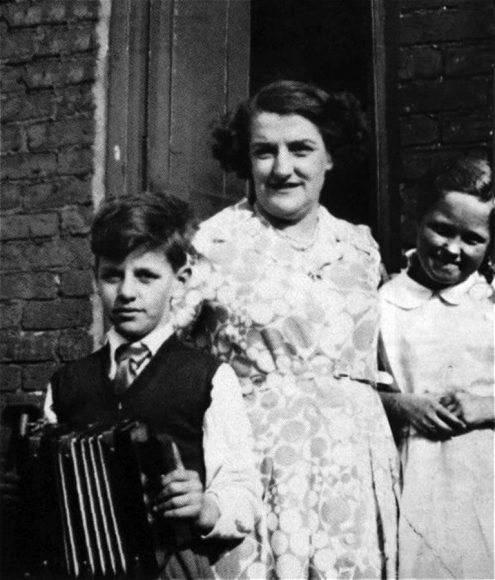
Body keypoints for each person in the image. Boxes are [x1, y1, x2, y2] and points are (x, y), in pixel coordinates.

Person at [182, 80, 400, 578]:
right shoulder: (213, 243)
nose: (282, 169)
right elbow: (165, 363)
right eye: (264, 152)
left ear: (329, 156)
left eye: (301, 149)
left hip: (355, 471)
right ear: (245, 158)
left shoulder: (361, 248)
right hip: (260, 467)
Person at [2, 193, 262, 579]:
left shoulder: (208, 376)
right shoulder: (67, 382)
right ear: (95, 278)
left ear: (180, 280)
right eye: (112, 275)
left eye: (146, 276)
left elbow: (242, 490)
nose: (126, 292)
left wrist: (206, 506)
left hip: (174, 566)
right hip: (79, 569)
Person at [378, 156, 494, 579]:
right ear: (418, 218)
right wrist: (401, 405)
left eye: (472, 239)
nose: (452, 248)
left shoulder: (490, 305)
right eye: (442, 229)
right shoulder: (384, 302)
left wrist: (485, 406)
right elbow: (356, 391)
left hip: (484, 476)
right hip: (413, 474)